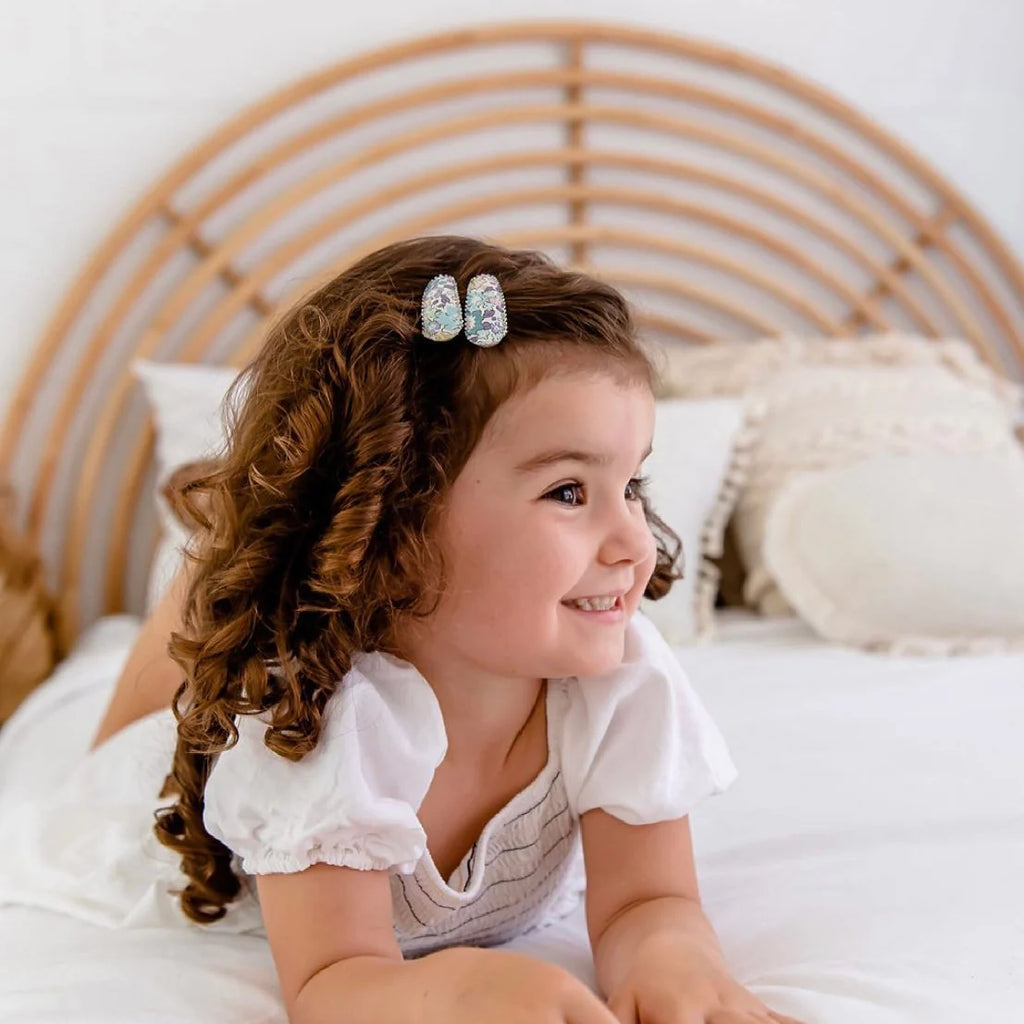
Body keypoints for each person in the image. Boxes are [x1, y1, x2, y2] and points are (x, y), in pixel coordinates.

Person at [88, 236, 804, 1024]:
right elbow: (335, 980)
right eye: (569, 491)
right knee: (146, 724)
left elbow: (650, 900)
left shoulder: (620, 683)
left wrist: (674, 956)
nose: (634, 539)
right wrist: (467, 990)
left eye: (631, 484)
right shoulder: (317, 721)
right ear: (396, 525)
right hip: (145, 800)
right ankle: (207, 573)